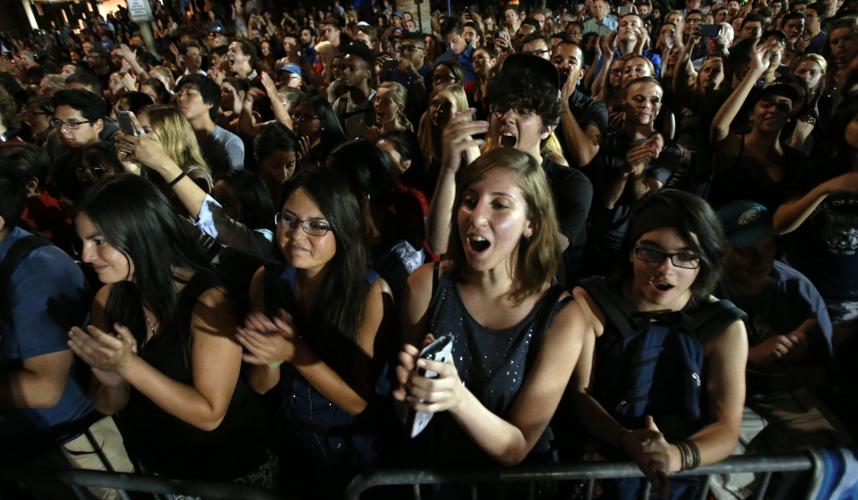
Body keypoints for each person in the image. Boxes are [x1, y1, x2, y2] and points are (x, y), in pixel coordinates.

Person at [67, 174, 274, 485]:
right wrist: (114, 382)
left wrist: (129, 366)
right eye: (82, 242)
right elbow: (109, 403)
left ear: (140, 233)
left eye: (98, 241)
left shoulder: (209, 301)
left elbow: (209, 413)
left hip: (227, 477)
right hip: (159, 472)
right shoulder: (107, 300)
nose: (85, 256)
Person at [395, 148, 583, 469]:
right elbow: (406, 415)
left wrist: (456, 397)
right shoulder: (426, 285)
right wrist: (412, 391)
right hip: (432, 477)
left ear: (531, 224)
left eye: (499, 205)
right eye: (470, 201)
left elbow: (516, 447)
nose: (476, 217)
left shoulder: (562, 316)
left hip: (509, 488)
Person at [570, 189, 748, 499]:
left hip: (679, 480)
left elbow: (727, 427)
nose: (665, 269)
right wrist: (625, 439)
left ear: (704, 261)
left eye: (685, 257)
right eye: (651, 252)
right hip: (596, 470)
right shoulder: (592, 302)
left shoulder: (722, 325)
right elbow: (578, 394)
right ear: (631, 251)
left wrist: (674, 456)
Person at [237, 168, 392, 498]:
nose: (297, 235)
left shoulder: (370, 293)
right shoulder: (267, 280)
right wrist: (270, 357)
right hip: (294, 450)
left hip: (353, 461)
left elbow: (359, 403)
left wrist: (295, 352)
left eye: (317, 225)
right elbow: (261, 385)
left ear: (343, 228)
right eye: (289, 219)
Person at [0, 164, 133, 500]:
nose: (87, 255)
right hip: (29, 442)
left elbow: (45, 388)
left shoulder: (36, 271)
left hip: (77, 445)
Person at [174, 74, 245, 177]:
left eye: (190, 94)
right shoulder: (177, 138)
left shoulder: (229, 142)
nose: (181, 98)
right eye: (179, 94)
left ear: (209, 103)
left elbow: (232, 183)